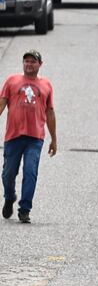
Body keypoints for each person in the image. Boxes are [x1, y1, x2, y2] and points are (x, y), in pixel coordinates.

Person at [0, 50, 56, 224]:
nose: (29, 64)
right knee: (8, 173)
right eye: (26, 61)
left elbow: (50, 112)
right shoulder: (12, 81)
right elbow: (1, 103)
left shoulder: (46, 85)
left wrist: (54, 138)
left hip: (35, 138)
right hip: (13, 135)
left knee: (30, 172)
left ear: (40, 64)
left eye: (33, 61)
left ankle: (25, 209)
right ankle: (10, 197)